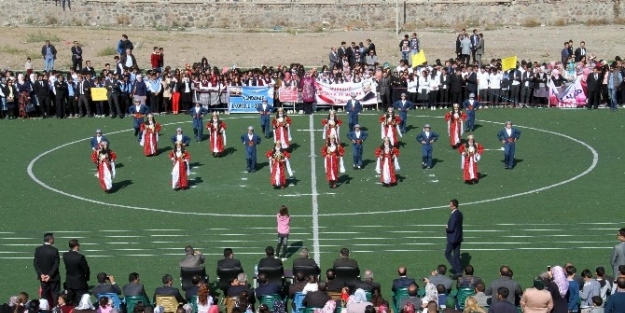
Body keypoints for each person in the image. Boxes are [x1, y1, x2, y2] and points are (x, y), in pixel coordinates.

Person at [34, 233, 60, 306]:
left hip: (42, 277)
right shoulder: (54, 250)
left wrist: (41, 274)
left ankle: (43, 308)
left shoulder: (38, 249)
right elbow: (56, 264)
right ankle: (55, 308)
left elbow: (36, 264)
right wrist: (49, 275)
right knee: (55, 293)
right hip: (53, 277)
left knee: (44, 293)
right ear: (50, 239)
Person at [63, 239, 90, 305]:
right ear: (76, 246)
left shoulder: (65, 255)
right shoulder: (80, 257)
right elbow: (86, 269)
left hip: (69, 281)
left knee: (69, 300)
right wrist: (86, 278)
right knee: (79, 301)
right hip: (79, 282)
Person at [445, 199, 464, 279]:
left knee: (447, 253)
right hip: (458, 237)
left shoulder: (454, 215)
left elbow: (451, 228)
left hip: (452, 238)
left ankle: (457, 270)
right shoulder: (459, 213)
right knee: (456, 255)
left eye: (451, 205)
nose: (449, 206)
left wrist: (447, 228)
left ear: (454, 206)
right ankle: (459, 270)